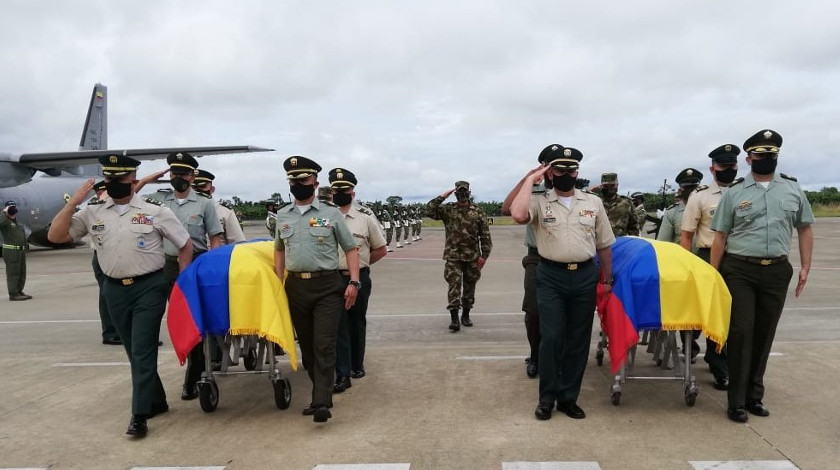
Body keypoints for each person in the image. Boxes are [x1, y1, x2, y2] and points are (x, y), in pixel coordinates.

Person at [47, 154, 192, 437]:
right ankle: (156, 400)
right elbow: (56, 236)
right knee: (132, 351)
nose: (114, 183)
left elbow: (185, 244)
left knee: (141, 349)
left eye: (120, 178)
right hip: (114, 290)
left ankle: (139, 415)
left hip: (149, 287)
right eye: (109, 178)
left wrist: (182, 281)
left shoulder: (155, 211)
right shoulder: (93, 212)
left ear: (133, 180)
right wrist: (74, 202)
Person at [710, 129, 814, 423]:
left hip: (777, 270)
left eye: (771, 155)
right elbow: (720, 236)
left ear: (776, 157)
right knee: (742, 332)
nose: (765, 159)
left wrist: (806, 265)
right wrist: (714, 273)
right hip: (740, 269)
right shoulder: (735, 192)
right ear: (748, 158)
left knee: (764, 333)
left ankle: (755, 396)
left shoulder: (793, 190)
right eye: (760, 155)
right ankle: (737, 402)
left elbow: (805, 228)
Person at [510, 145, 615, 421]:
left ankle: (569, 398)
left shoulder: (592, 202)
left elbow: (604, 244)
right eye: (560, 169)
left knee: (578, 341)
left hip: (583, 275)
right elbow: (518, 215)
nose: (566, 174)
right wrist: (530, 180)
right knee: (552, 338)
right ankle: (547, 398)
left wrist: (607, 278)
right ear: (551, 173)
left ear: (577, 172)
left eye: (570, 170)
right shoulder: (539, 200)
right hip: (551, 276)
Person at [274, 155, 360, 423]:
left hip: (327, 287)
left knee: (324, 344)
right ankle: (319, 392)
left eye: (303, 179)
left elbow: (351, 249)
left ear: (314, 182)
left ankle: (320, 401)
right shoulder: (282, 216)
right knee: (308, 349)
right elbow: (278, 251)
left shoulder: (330, 214)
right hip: (296, 288)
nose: (298, 183)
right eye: (293, 180)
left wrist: (354, 282)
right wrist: (278, 285)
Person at [143, 152, 223, 401]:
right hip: (166, 267)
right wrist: (149, 178)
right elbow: (128, 196)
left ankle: (195, 376)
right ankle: (194, 370)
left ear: (192, 176)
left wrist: (214, 268)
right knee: (178, 320)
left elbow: (215, 238)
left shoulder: (204, 203)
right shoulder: (159, 201)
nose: (178, 177)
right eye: (174, 173)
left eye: (183, 173)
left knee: (197, 322)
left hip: (197, 264)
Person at [681, 144, 741, 391]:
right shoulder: (700, 196)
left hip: (738, 258)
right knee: (708, 311)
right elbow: (686, 235)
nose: (728, 170)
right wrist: (686, 267)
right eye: (723, 166)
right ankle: (718, 365)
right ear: (713, 169)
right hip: (707, 258)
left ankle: (722, 364)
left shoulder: (744, 192)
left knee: (732, 315)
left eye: (732, 166)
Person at [328, 168, 387, 393]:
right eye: (336, 190)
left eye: (345, 190)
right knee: (337, 324)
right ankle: (342, 369)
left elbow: (381, 249)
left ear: (352, 193)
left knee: (356, 321)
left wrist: (359, 266)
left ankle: (356, 364)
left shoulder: (365, 218)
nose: (340, 193)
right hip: (331, 277)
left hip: (358, 277)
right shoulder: (322, 217)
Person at [502, 144, 556, 378]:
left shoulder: (576, 195)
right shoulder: (533, 193)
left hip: (567, 259)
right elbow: (507, 209)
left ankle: (555, 356)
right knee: (534, 312)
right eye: (550, 165)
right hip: (537, 258)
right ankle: (535, 354)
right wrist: (528, 178)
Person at [427, 181, 492, 332]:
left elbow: (485, 235)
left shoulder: (478, 211)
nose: (462, 195)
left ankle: (466, 315)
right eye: (459, 192)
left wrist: (484, 256)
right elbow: (429, 210)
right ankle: (454, 318)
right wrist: (444, 195)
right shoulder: (448, 210)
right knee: (454, 287)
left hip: (472, 257)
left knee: (470, 287)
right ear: (455, 194)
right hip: (453, 256)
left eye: (465, 192)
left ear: (469, 193)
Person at [657, 168, 703, 363]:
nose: (691, 191)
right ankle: (688, 343)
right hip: (683, 269)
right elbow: (663, 243)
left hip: (706, 265)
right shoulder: (673, 213)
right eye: (688, 187)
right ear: (680, 190)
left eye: (695, 187)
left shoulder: (710, 205)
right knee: (687, 309)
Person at [88, 180, 121, 344]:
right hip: (102, 255)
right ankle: (110, 332)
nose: (104, 195)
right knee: (107, 294)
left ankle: (125, 331)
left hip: (118, 255)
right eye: (101, 192)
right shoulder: (95, 208)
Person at [193, 169, 247, 244]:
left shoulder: (225, 212)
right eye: (193, 188)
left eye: (202, 186)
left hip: (216, 254)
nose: (197, 191)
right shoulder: (183, 209)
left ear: (212, 189)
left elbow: (238, 243)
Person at [2, 201, 31, 301]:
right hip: (11, 252)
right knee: (13, 273)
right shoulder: (5, 222)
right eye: (10, 208)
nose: (12, 210)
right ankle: (13, 294)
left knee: (21, 272)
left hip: (20, 251)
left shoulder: (18, 223)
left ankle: (19, 291)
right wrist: (4, 212)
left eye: (14, 207)